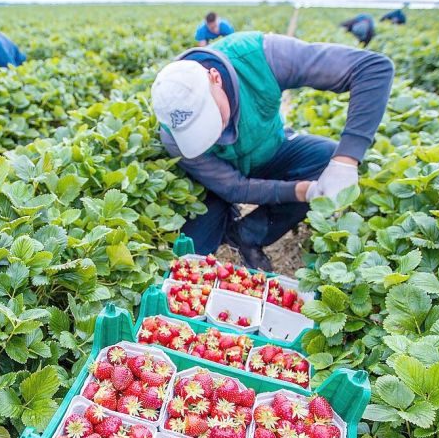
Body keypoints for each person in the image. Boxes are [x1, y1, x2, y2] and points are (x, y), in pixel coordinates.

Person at [150, 31, 393, 270]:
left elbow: (372, 68)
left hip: (271, 150)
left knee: (325, 159)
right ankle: (224, 215)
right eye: (198, 132)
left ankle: (246, 235)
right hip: (216, 183)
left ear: (216, 78)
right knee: (192, 255)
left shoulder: (259, 57)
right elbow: (233, 187)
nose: (212, 135)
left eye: (212, 119)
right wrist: (301, 191)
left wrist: (345, 160)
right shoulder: (173, 135)